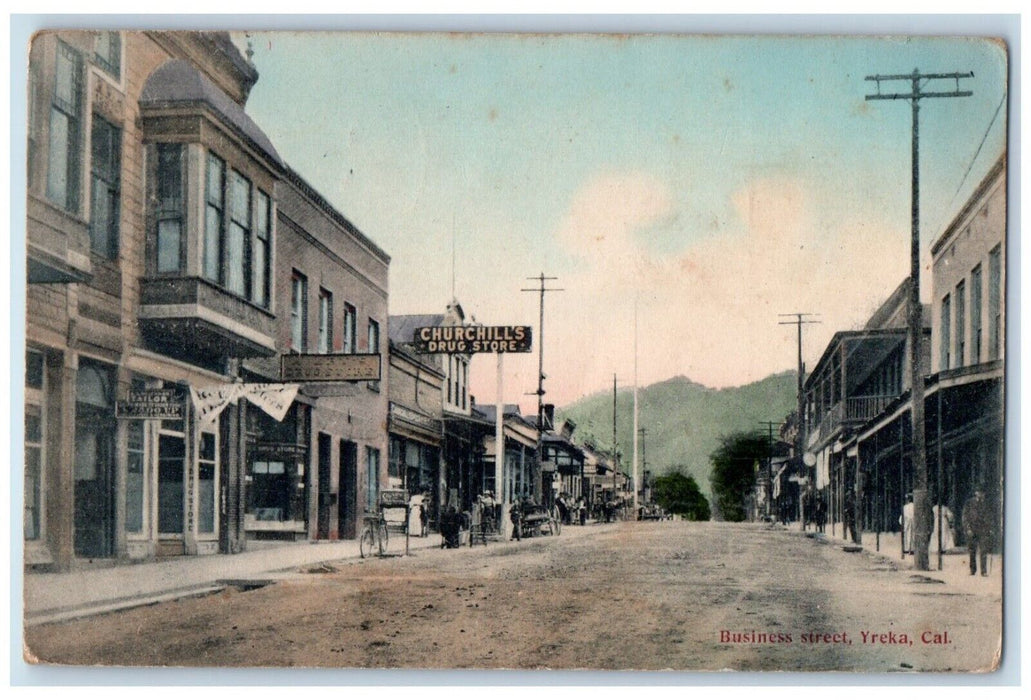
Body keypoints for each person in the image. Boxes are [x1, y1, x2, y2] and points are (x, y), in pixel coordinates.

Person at [962, 489, 993, 576]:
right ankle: (973, 570)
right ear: (976, 493)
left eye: (982, 493)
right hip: (972, 529)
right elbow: (965, 516)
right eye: (979, 492)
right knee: (972, 551)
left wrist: (989, 528)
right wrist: (968, 529)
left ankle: (983, 571)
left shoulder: (986, 504)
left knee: (983, 550)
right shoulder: (969, 503)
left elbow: (989, 517)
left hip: (983, 530)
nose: (981, 494)